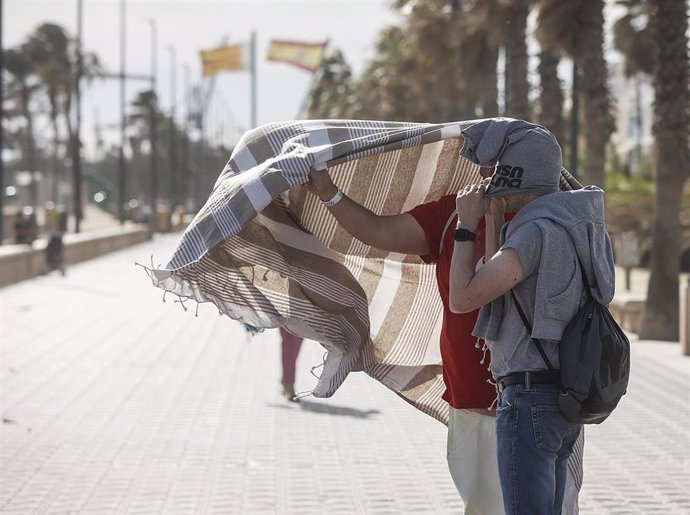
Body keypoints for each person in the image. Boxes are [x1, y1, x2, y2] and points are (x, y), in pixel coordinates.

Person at [306, 159, 579, 514]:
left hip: (541, 399)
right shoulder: (456, 212)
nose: (491, 169)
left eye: (506, 159)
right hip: (475, 401)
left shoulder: (557, 220)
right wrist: (329, 193)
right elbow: (379, 230)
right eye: (487, 159)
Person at [448, 118, 614, 514]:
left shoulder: (535, 232)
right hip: (563, 397)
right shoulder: (580, 227)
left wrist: (465, 227)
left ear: (516, 177)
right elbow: (506, 284)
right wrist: (493, 222)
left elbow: (463, 297)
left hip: (528, 400)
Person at [279, 327, 303, 402]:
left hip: (304, 318)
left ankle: (286, 379)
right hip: (286, 317)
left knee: (296, 344)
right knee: (289, 344)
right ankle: (289, 385)